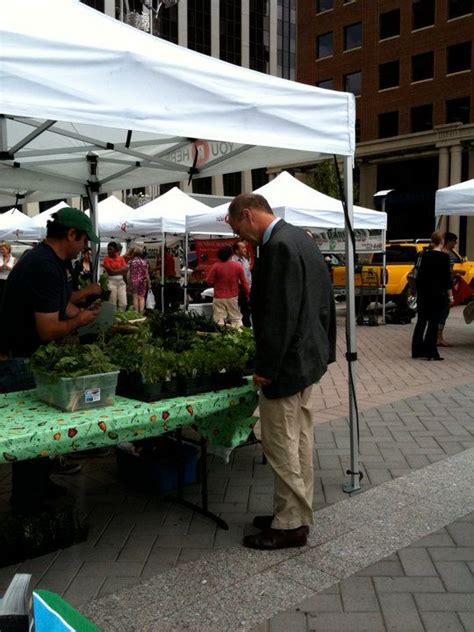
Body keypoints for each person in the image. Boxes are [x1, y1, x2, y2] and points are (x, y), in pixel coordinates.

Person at [226, 193, 336, 550]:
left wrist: (266, 368)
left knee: (281, 443)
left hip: (287, 366)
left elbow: (278, 316)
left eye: (237, 228)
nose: (240, 237)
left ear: (247, 214)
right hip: (306, 361)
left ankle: (290, 524)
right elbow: (323, 304)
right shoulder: (301, 239)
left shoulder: (279, 248)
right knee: (299, 440)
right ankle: (292, 513)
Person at [0, 207, 101, 511]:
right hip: (20, 361)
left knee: (41, 432)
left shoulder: (52, 262)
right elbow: (47, 329)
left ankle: (40, 487)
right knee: (32, 435)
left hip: (27, 357)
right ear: (71, 235)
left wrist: (84, 310)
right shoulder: (43, 266)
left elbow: (60, 307)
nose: (86, 247)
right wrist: (80, 322)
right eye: (84, 241)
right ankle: (28, 503)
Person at [412, 231, 453, 361]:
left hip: (423, 293)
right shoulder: (444, 257)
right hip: (437, 293)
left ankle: (417, 350)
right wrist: (450, 296)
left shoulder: (422, 255)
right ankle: (431, 351)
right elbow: (447, 279)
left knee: (421, 321)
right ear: (441, 241)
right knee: (433, 322)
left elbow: (419, 275)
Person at [206, 245, 250, 328]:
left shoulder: (216, 266)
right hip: (233, 297)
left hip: (218, 297)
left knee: (219, 320)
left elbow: (209, 281)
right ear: (231, 255)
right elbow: (245, 283)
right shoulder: (238, 266)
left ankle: (221, 337)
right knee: (236, 319)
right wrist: (248, 295)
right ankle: (240, 336)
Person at [437, 231, 458, 347]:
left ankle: (437, 336)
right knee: (444, 312)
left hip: (438, 287)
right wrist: (458, 273)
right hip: (445, 288)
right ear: (449, 241)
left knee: (440, 312)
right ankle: (439, 337)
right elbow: (448, 273)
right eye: (454, 241)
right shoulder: (448, 255)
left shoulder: (439, 252)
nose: (455, 244)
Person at [232, 240, 252, 327]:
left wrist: (249, 287)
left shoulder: (245, 261)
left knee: (246, 310)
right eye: (243, 248)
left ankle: (246, 328)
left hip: (245, 288)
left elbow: (248, 276)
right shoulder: (232, 261)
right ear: (236, 250)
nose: (245, 249)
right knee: (235, 310)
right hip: (235, 288)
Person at [103, 241, 127, 310]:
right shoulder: (106, 259)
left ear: (116, 250)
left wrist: (114, 271)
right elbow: (110, 272)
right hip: (111, 282)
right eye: (108, 249)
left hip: (121, 282)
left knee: (124, 303)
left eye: (110, 249)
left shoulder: (121, 258)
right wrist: (120, 270)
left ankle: (120, 318)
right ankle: (112, 319)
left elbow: (125, 269)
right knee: (112, 303)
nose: (109, 251)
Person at [127, 245, 150, 313]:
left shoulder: (131, 262)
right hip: (143, 281)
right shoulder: (144, 262)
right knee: (142, 297)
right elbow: (147, 273)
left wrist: (128, 281)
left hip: (134, 281)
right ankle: (141, 312)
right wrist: (149, 283)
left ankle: (136, 312)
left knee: (135, 296)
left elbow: (128, 273)